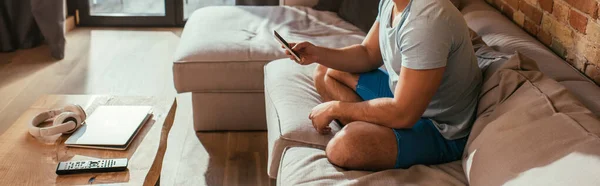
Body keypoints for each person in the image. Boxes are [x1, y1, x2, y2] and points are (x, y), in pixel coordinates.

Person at [281, 0, 482, 171]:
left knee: (343, 147)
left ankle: (372, 133)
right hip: (404, 100)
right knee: (325, 71)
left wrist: (337, 108)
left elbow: (404, 113)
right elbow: (368, 53)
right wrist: (317, 54)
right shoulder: (392, 3)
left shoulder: (426, 20)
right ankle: (375, 130)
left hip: (440, 129)